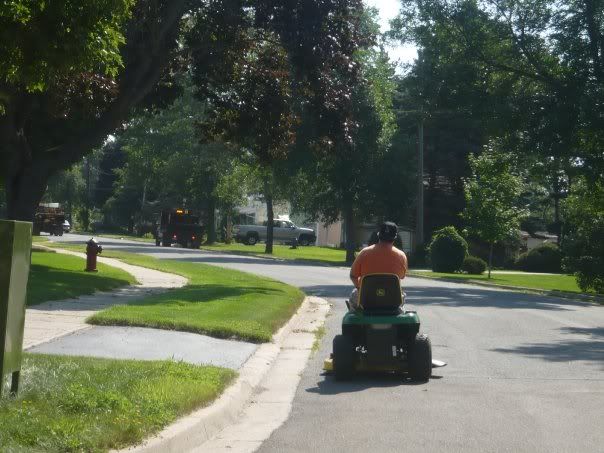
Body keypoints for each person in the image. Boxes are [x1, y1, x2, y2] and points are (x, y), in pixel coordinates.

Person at [348, 221, 408, 310]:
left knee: (353, 297)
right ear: (394, 237)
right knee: (402, 296)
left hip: (367, 298)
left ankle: (355, 315)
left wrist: (360, 289)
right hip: (392, 299)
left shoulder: (364, 253)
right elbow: (402, 276)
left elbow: (353, 276)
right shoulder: (401, 256)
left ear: (379, 235)